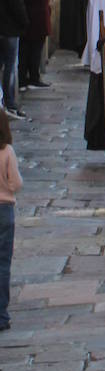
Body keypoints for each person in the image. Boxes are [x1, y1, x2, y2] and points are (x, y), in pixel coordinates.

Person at [17, 0, 57, 91]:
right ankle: (34, 78)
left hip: (25, 19)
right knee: (35, 50)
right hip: (39, 20)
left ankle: (22, 80)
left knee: (24, 51)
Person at [0, 0, 28, 119]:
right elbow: (17, 4)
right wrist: (24, 22)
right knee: (10, 67)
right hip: (9, 30)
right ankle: (10, 102)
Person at [0, 109, 22, 330]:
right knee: (3, 263)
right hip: (4, 209)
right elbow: (16, 183)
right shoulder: (7, 151)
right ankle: (1, 314)